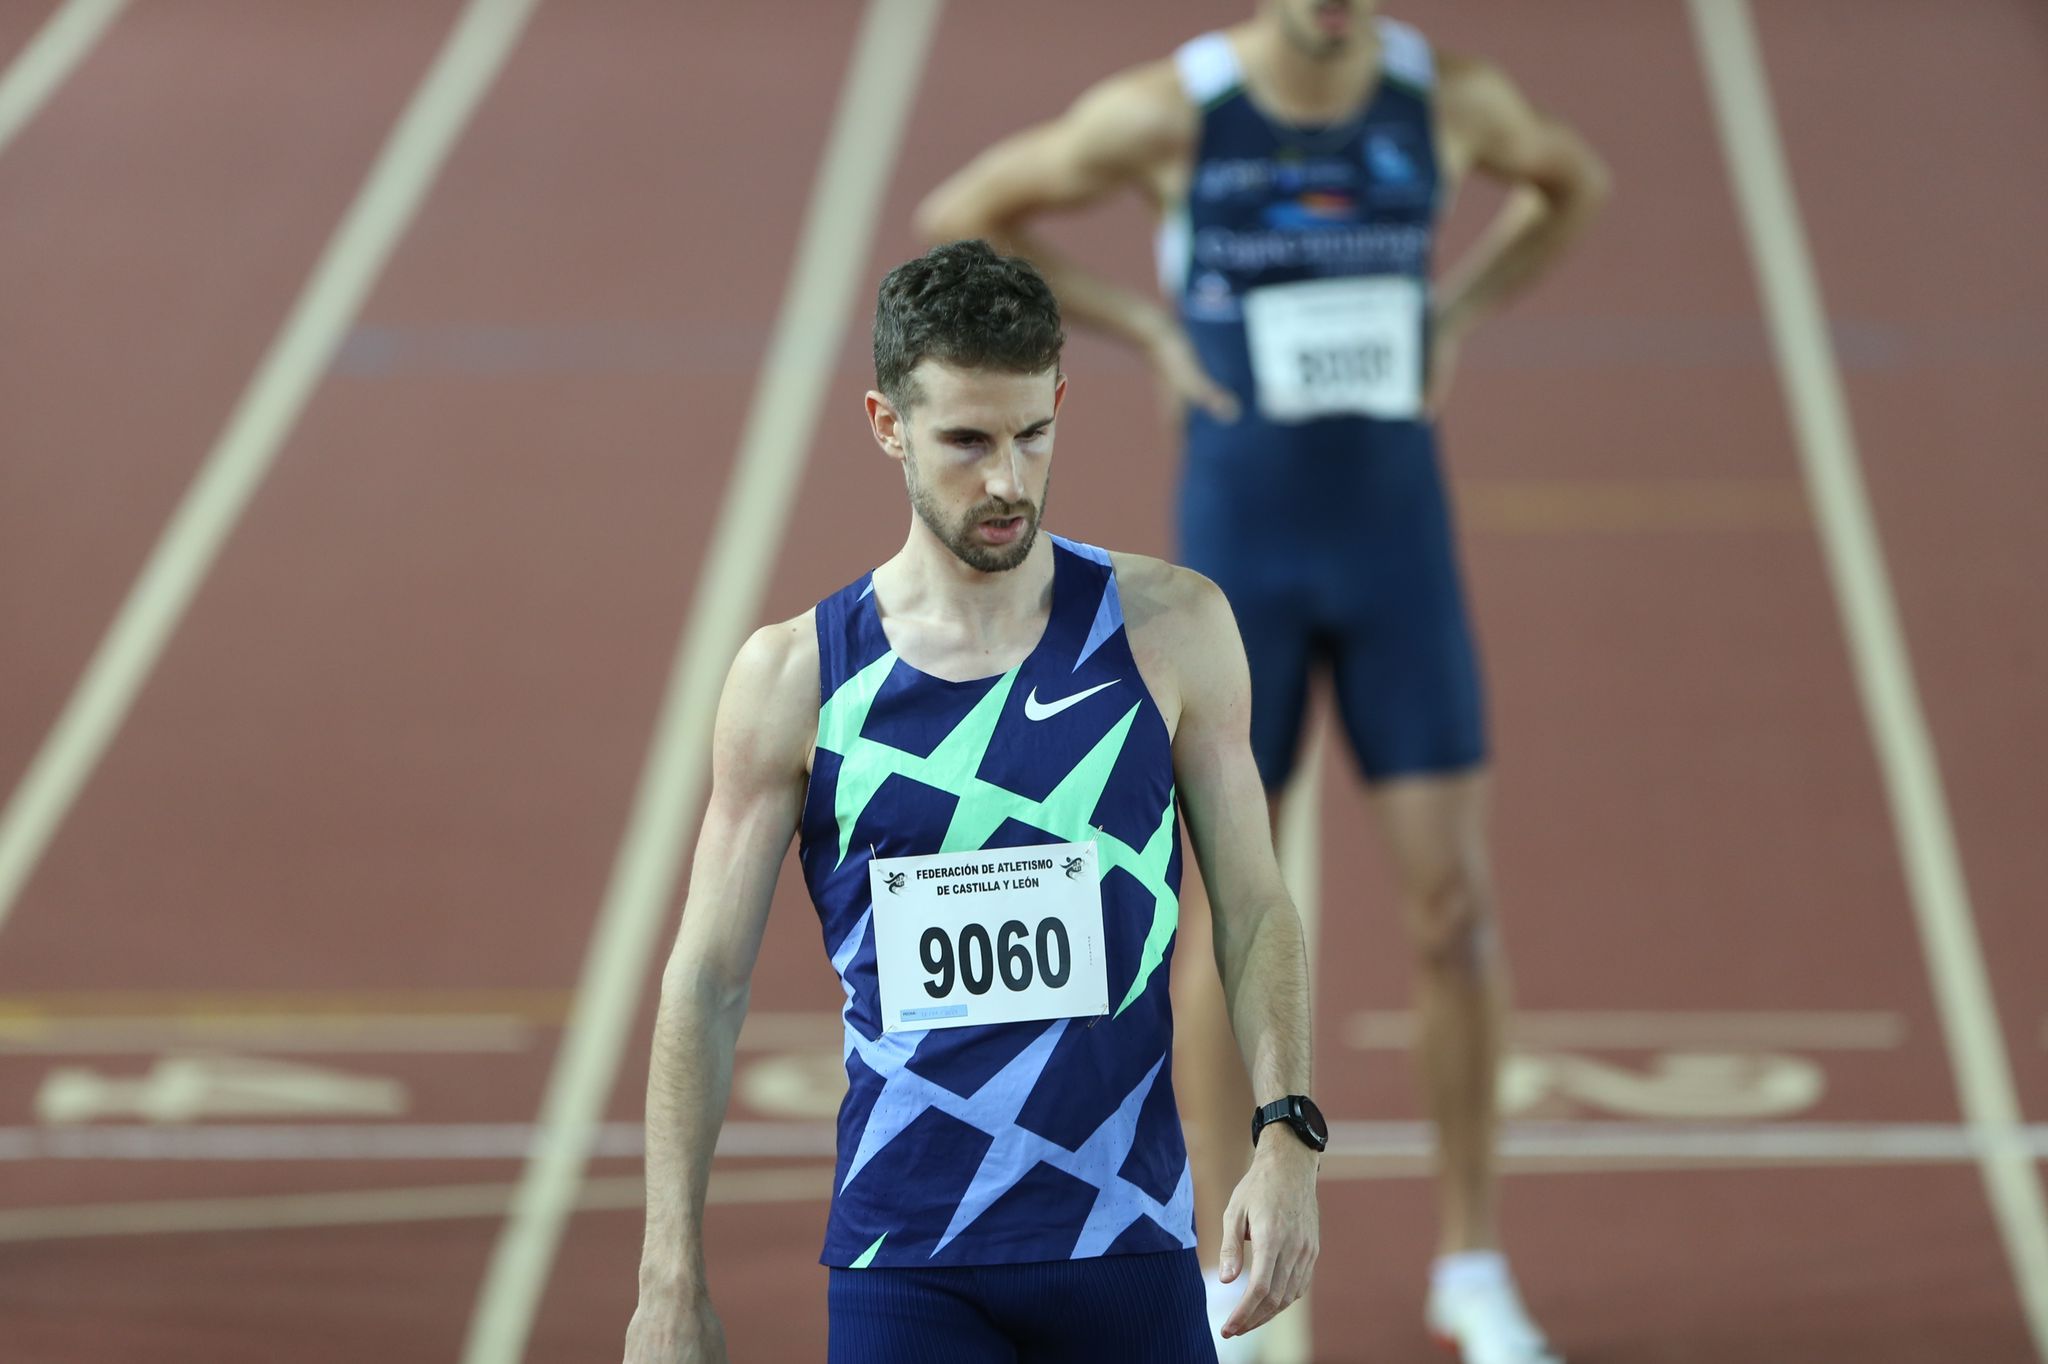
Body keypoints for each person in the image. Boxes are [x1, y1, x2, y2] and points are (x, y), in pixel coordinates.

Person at [915, 4, 1610, 1362]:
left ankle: (1470, 1263)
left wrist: (1457, 308)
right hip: (1241, 554)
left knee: (1454, 908)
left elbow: (1570, 185)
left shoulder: (1445, 98)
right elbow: (971, 209)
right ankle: (1223, 1277)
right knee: (1222, 917)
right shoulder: (1174, 110)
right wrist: (1147, 330)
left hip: (1395, 540)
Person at [622, 241, 1323, 1364]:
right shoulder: (797, 679)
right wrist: (669, 1273)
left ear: (1056, 403)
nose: (1006, 479)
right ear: (884, 422)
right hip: (908, 1259)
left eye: (1030, 434)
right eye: (964, 441)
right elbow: (705, 979)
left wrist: (1285, 1130)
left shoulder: (1170, 632)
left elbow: (1254, 910)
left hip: (1126, 1243)